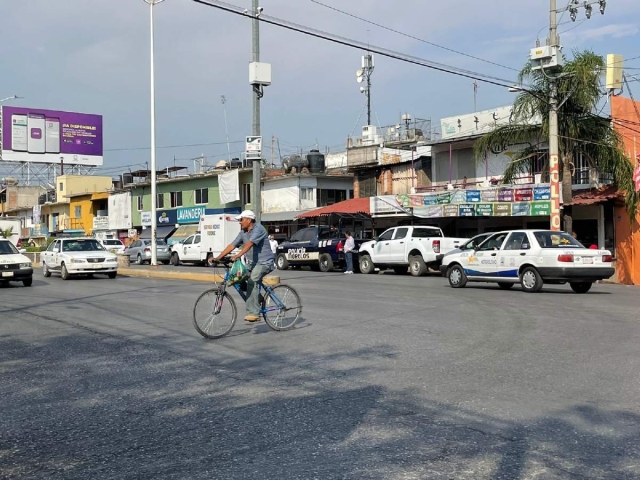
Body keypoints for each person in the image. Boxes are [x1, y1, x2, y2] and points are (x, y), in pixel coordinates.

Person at [210, 210, 274, 322]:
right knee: (237, 278)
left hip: (265, 263)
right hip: (252, 264)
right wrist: (218, 258)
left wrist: (238, 255)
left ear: (249, 220)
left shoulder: (258, 229)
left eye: (241, 220)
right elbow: (232, 245)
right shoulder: (243, 233)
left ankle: (254, 313)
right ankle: (257, 298)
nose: (240, 222)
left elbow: (249, 244)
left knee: (252, 281)